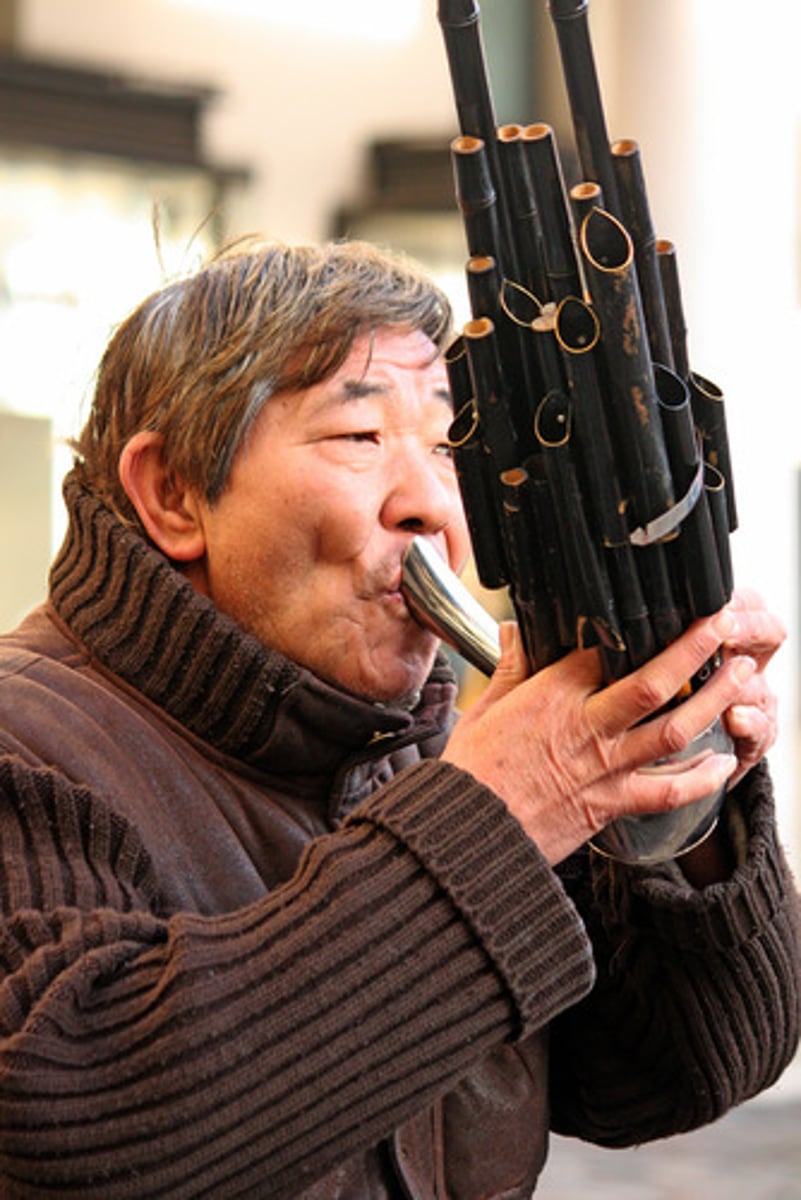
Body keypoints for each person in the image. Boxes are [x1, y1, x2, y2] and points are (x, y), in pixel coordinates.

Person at [0, 238, 797, 1200]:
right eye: (359, 439)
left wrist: (676, 793)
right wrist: (498, 814)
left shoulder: (414, 756)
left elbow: (673, 1071)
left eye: (451, 448)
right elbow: (78, 1133)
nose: (430, 506)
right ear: (173, 494)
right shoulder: (27, 743)